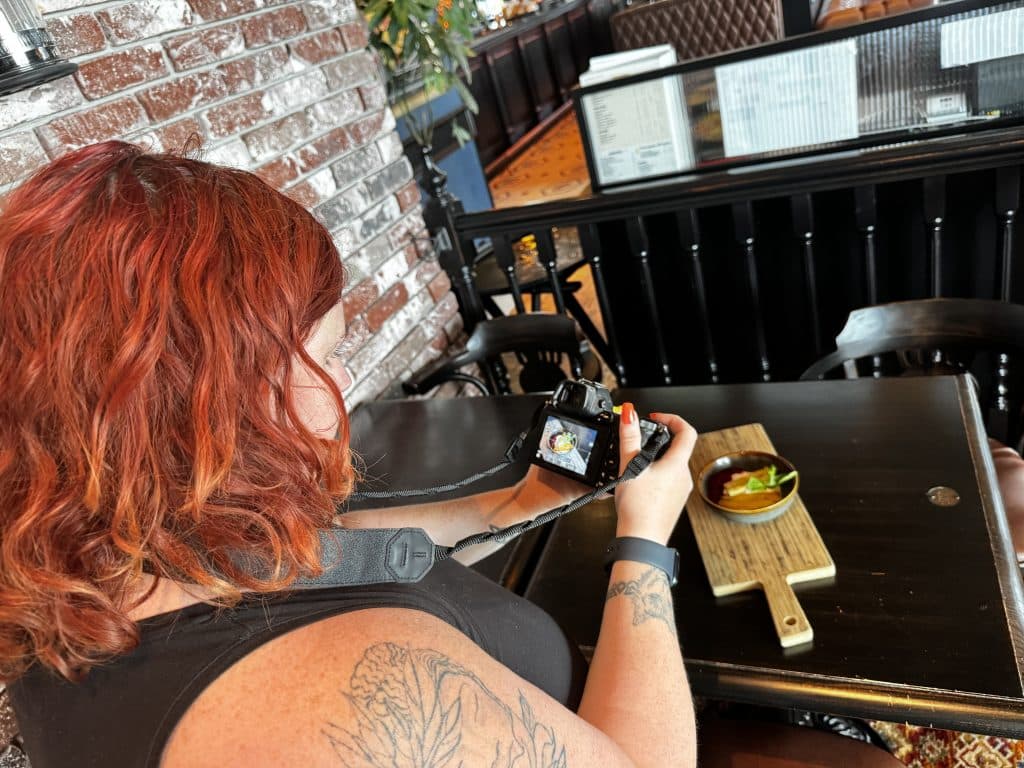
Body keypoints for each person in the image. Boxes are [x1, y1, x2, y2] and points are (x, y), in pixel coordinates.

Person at [0, 142, 700, 767]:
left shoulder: (100, 566)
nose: (344, 385)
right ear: (203, 400)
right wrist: (645, 541)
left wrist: (519, 503)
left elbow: (323, 562)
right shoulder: (353, 706)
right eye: (328, 356)